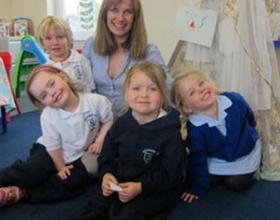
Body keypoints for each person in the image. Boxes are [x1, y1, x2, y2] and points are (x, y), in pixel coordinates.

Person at [72, 61, 186, 220]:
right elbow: (107, 154)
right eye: (136, 88)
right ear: (126, 92)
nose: (144, 94)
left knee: (127, 214)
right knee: (96, 206)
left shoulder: (171, 133)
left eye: (153, 89)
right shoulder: (121, 123)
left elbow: (171, 175)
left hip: (155, 187)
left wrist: (141, 188)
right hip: (121, 179)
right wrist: (107, 174)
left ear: (163, 95)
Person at [0, 65, 114, 208]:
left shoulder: (97, 101)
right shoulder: (48, 115)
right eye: (44, 96)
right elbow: (53, 146)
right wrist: (60, 167)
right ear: (41, 103)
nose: (52, 93)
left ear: (63, 76)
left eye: (52, 84)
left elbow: (108, 120)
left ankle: (21, 192)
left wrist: (99, 140)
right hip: (48, 150)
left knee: (74, 182)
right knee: (33, 170)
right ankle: (4, 178)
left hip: (78, 154)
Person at [82, 0, 172, 118]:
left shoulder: (149, 52)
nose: (120, 18)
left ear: (135, 17)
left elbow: (169, 88)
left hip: (134, 125)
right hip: (97, 121)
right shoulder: (90, 45)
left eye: (127, 12)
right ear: (105, 14)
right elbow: (82, 84)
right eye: (114, 10)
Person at [171, 70, 262, 203]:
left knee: (236, 184)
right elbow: (198, 156)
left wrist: (252, 131)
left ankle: (251, 171)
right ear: (186, 108)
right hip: (218, 157)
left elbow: (249, 116)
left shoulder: (234, 100)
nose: (201, 89)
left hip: (244, 153)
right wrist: (199, 186)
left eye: (201, 83)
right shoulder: (195, 127)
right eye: (192, 92)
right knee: (201, 178)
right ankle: (214, 178)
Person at [37, 15, 95, 93]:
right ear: (42, 42)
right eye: (48, 38)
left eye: (60, 37)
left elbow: (92, 88)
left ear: (68, 39)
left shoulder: (82, 61)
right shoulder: (45, 69)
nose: (55, 42)